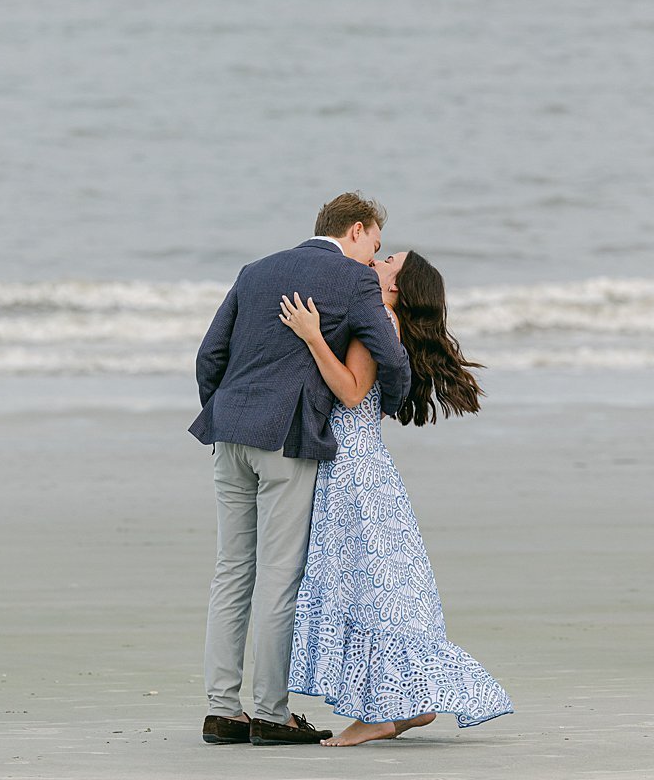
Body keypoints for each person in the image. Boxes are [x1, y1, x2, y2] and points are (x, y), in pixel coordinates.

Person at [190, 192, 411, 746]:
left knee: (231, 569)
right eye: (375, 247)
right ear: (356, 230)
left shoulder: (256, 269)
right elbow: (390, 355)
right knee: (278, 575)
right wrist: (396, 400)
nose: (373, 260)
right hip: (285, 437)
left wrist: (226, 411)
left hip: (230, 429)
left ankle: (222, 709)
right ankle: (269, 712)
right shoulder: (353, 279)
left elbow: (209, 355)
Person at [279, 249, 511, 745]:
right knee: (391, 585)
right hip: (371, 467)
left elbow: (351, 392)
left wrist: (312, 335)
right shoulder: (388, 321)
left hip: (351, 469)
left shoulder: (377, 318)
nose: (377, 260)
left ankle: (384, 712)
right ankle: (406, 703)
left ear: (396, 286)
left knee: (369, 588)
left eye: (388, 260)